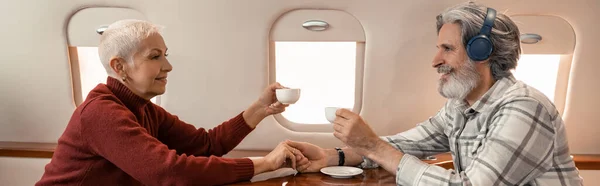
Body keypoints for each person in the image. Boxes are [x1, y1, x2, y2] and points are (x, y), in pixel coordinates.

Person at [287, 2, 583, 185]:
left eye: (447, 49)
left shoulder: (524, 108)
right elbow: (404, 145)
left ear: (482, 52)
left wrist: (374, 147)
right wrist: (332, 156)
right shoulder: (460, 107)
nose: (435, 61)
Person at [36, 19, 307, 186]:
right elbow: (168, 173)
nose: (168, 66)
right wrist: (265, 163)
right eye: (155, 57)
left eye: (165, 55)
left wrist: (260, 108)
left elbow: (206, 145)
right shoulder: (100, 113)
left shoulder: (145, 109)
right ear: (120, 66)